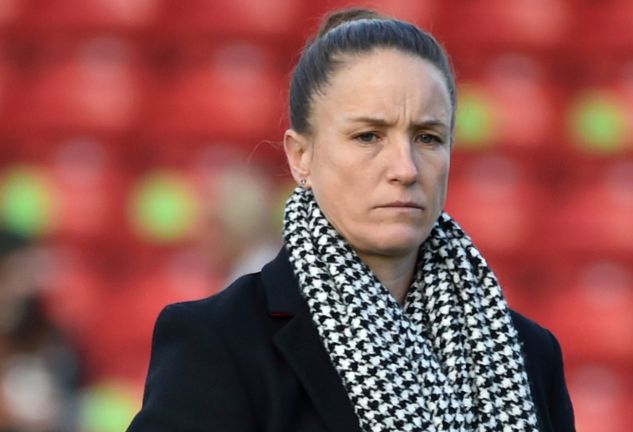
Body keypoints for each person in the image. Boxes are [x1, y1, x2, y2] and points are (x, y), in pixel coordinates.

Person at [127, 8, 575, 432]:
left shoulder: (527, 354)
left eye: (428, 137)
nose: (405, 168)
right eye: (368, 136)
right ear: (300, 156)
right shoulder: (219, 343)